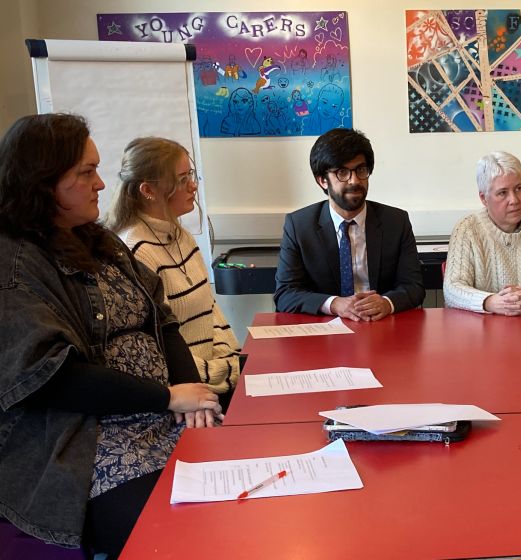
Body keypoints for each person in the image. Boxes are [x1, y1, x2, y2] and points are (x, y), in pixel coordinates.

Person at [0, 114, 222, 557]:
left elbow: (162, 320)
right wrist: (168, 397)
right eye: (86, 172)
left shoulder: (97, 240)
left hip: (161, 417)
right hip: (88, 442)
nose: (101, 184)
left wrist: (191, 397)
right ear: (42, 182)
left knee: (238, 500)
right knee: (186, 537)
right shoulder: (15, 266)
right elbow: (55, 377)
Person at [108, 137, 243, 412]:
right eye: (182, 179)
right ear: (148, 190)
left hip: (217, 379)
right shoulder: (136, 251)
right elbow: (161, 345)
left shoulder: (182, 236)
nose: (193, 185)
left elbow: (210, 309)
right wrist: (224, 372)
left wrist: (231, 361)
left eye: (190, 175)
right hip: (188, 394)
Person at [275, 128, 424, 319]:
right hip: (326, 332)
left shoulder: (396, 221)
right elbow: (285, 294)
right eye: (342, 172)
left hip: (381, 327)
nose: (354, 181)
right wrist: (335, 304)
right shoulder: (299, 226)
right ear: (322, 180)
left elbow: (414, 287)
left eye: (361, 170)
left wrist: (386, 303)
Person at [443, 151, 521, 315]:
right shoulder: (466, 230)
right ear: (483, 198)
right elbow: (452, 289)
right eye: (503, 193)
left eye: (519, 189)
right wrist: (490, 302)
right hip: (479, 331)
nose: (514, 200)